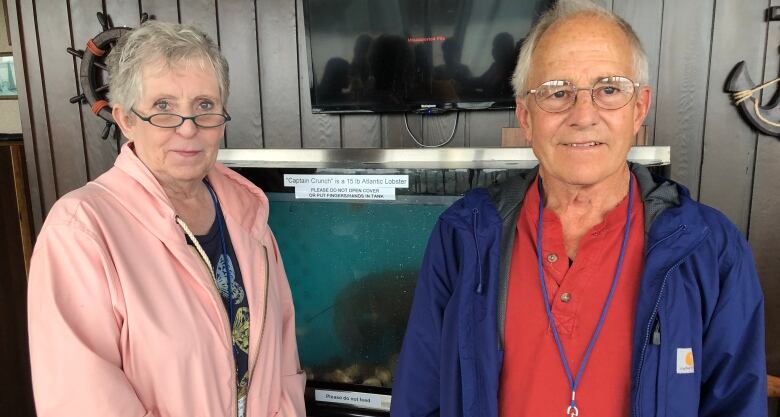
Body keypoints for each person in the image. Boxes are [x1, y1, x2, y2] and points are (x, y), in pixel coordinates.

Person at [391, 0, 767, 416]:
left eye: (608, 89)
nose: (583, 115)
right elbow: (419, 399)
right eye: (557, 92)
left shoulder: (710, 249)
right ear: (526, 116)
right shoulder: (464, 235)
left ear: (639, 107)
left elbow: (735, 404)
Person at [27, 21, 305, 417]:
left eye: (204, 106)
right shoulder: (80, 231)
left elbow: (282, 356)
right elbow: (83, 402)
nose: (188, 128)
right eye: (163, 107)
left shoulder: (248, 212)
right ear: (125, 120)